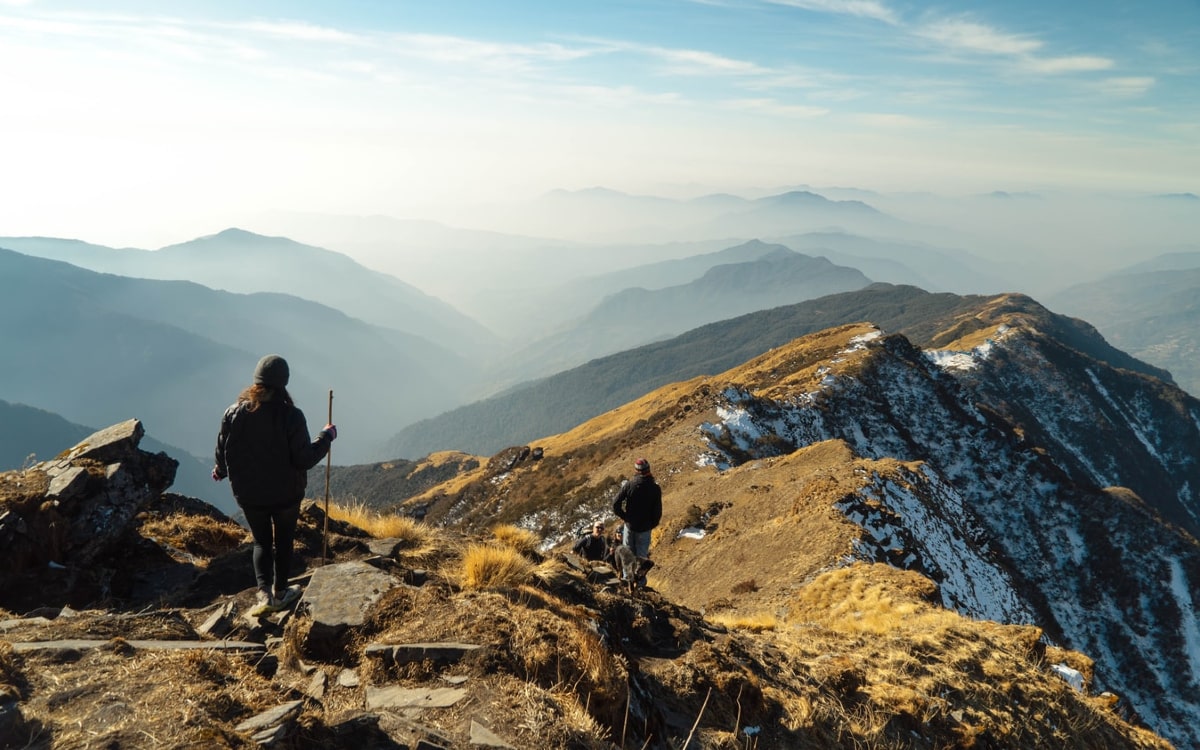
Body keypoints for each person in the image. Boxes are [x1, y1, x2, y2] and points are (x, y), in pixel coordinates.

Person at [213, 354, 336, 615]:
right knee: (283, 541)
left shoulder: (233, 413)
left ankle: (263, 594)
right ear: (284, 382)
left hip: (249, 495)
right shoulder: (291, 416)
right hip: (285, 495)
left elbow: (223, 448)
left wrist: (221, 471)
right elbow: (303, 459)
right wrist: (326, 437)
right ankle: (281, 593)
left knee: (261, 542)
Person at [611, 458, 662, 585]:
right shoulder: (655, 488)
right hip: (644, 528)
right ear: (648, 469)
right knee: (642, 557)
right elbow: (657, 512)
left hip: (630, 526)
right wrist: (652, 524)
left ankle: (627, 581)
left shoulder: (629, 485)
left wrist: (625, 517)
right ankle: (639, 584)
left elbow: (615, 504)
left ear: (636, 471)